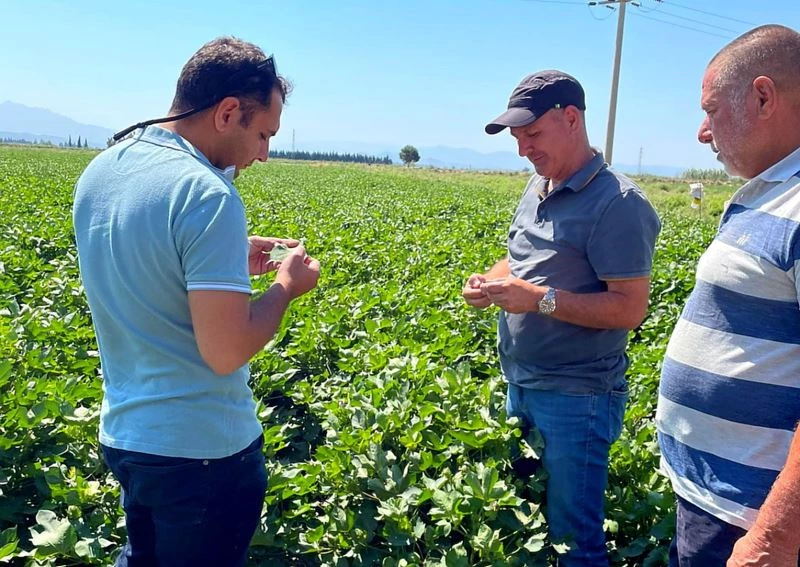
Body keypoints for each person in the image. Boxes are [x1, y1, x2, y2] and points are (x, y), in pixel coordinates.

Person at [72, 37, 320, 567]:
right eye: (262, 134)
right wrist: (285, 288)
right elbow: (227, 350)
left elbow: (154, 273)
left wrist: (225, 257)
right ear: (228, 112)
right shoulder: (205, 193)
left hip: (128, 438)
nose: (263, 153)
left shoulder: (102, 171)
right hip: (202, 454)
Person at [462, 70, 661, 566]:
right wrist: (489, 280)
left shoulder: (618, 203)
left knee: (575, 540)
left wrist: (538, 300)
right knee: (527, 519)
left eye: (532, 134)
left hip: (577, 396)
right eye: (517, 138)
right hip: (521, 382)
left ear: (570, 118)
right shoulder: (538, 185)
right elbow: (521, 259)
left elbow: (630, 308)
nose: (523, 149)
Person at [655, 24, 800, 567]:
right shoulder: (773, 190)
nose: (701, 132)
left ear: (763, 96)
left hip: (754, 522)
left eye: (711, 110)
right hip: (718, 502)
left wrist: (774, 540)